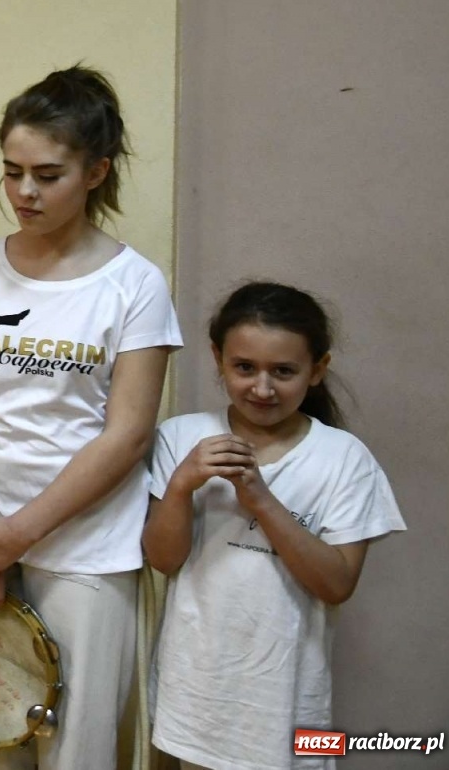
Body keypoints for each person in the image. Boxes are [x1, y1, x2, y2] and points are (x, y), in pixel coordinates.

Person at [0, 65, 181, 770]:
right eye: (12, 173)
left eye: (48, 174)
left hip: (85, 553)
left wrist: (18, 534)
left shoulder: (134, 284)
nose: (24, 193)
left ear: (97, 171)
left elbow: (128, 434)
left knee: (75, 748)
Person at [144, 283, 404, 770]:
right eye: (245, 367)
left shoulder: (344, 459)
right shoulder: (182, 437)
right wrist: (181, 486)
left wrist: (261, 499)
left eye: (283, 371)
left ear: (317, 371)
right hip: (193, 699)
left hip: (287, 704)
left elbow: (337, 583)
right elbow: (163, 560)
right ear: (219, 359)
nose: (262, 389)